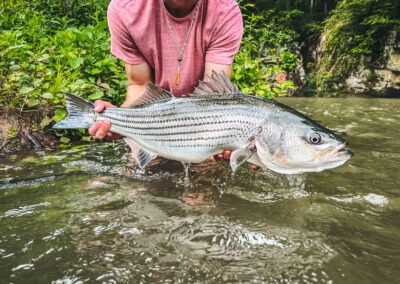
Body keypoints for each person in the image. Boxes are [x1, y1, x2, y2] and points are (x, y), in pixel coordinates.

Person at [89, 0, 259, 170]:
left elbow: (212, 98)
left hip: (202, 121)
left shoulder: (224, 10)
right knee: (140, 186)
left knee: (201, 188)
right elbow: (140, 84)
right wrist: (119, 121)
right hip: (153, 117)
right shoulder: (125, 8)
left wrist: (228, 139)